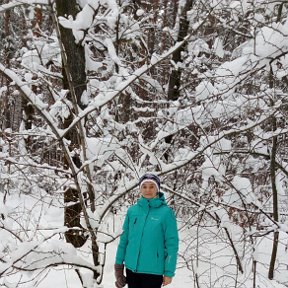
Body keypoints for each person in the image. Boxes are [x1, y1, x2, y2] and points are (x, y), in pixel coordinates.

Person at [114, 173, 179, 288]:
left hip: (153, 271)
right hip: (131, 269)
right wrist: (119, 269)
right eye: (144, 186)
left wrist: (169, 272)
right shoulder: (132, 211)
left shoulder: (166, 213)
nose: (148, 190)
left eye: (151, 186)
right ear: (140, 189)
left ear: (157, 189)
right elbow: (124, 240)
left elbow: (172, 244)